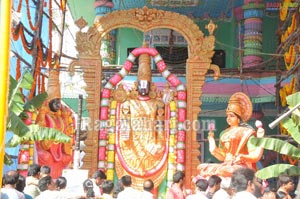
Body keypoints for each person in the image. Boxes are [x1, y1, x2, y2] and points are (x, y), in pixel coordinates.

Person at [114, 45, 170, 188]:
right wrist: (125, 139)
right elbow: (124, 125)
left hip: (150, 143)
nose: (143, 88)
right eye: (141, 84)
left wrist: (160, 143)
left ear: (151, 85)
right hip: (133, 145)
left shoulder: (157, 103)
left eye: (146, 84)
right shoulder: (129, 103)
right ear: (136, 85)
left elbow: (160, 127)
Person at [197, 92, 264, 178]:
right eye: (227, 116)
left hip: (241, 166)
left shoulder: (246, 132)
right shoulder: (224, 133)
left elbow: (255, 156)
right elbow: (223, 156)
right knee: (202, 168)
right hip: (226, 165)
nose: (228, 118)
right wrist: (213, 146)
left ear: (238, 119)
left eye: (231, 116)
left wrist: (243, 157)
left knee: (228, 170)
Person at [35, 67, 75, 178]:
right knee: (46, 157)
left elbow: (66, 135)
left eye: (59, 101)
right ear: (49, 102)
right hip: (47, 149)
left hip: (57, 151)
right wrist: (42, 113)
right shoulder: (44, 116)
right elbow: (40, 137)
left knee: (66, 158)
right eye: (55, 101)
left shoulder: (61, 118)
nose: (58, 104)